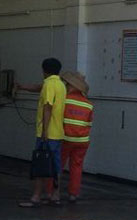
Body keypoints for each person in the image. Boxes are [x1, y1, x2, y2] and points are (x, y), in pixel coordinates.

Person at [16, 58, 66, 207]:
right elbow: (39, 87)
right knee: (56, 165)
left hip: (47, 133)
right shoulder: (60, 84)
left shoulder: (49, 85)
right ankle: (55, 195)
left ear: (44, 70)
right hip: (58, 133)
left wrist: (44, 131)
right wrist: (23, 87)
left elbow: (48, 107)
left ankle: (36, 196)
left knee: (40, 163)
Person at [60, 70, 94, 203]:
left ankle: (51, 191)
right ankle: (73, 194)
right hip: (82, 141)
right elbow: (89, 123)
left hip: (65, 138)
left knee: (58, 165)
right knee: (77, 167)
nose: (66, 86)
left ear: (72, 86)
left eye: (67, 84)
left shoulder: (65, 100)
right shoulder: (89, 104)